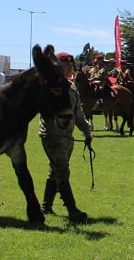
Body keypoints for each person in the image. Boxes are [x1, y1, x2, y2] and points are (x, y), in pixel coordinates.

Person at [39, 51, 93, 223]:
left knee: (55, 170)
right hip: (52, 135)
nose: (71, 67)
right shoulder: (49, 86)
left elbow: (78, 113)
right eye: (66, 65)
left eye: (72, 64)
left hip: (67, 137)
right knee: (62, 170)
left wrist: (86, 130)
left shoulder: (72, 87)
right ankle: (72, 210)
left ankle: (46, 206)